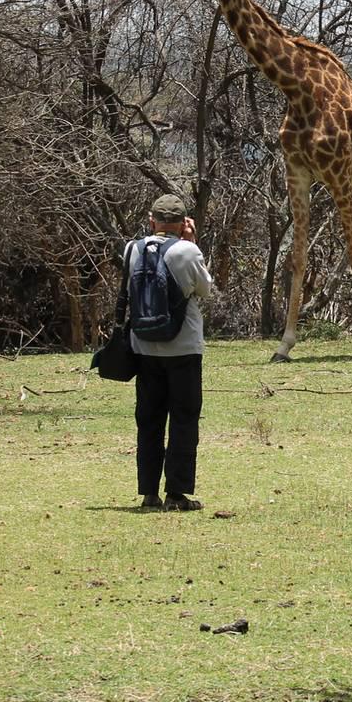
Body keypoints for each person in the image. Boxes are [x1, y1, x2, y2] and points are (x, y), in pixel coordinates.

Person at [117, 194, 215, 512]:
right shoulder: (187, 251)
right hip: (183, 348)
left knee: (149, 420)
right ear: (184, 222)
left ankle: (148, 494)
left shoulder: (132, 249)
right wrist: (193, 242)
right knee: (184, 419)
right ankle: (176, 493)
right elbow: (205, 289)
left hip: (143, 347)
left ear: (151, 221)